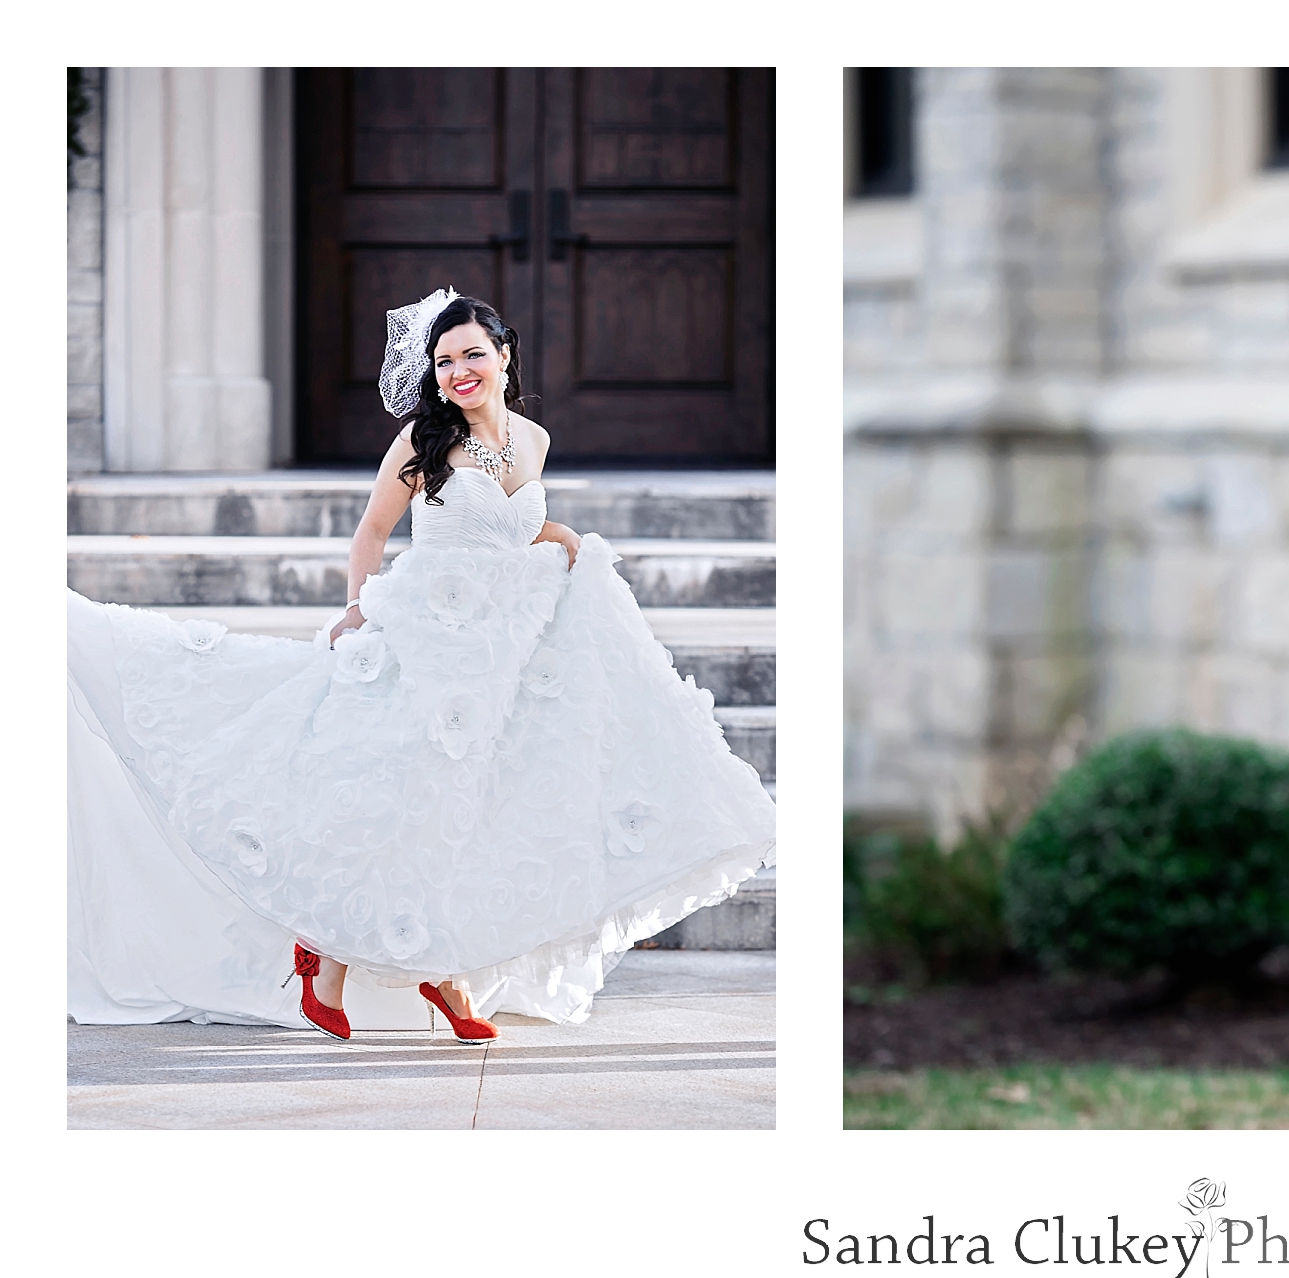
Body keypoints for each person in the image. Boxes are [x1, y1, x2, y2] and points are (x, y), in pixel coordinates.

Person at [67, 289, 776, 1042]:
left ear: (505, 355)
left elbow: (511, 528)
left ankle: (444, 968)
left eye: (473, 354)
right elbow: (373, 531)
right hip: (426, 639)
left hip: (502, 648)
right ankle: (334, 955)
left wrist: (562, 538)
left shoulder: (533, 441)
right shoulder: (421, 442)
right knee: (406, 795)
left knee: (474, 805)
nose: (458, 371)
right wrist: (355, 607)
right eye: (444, 361)